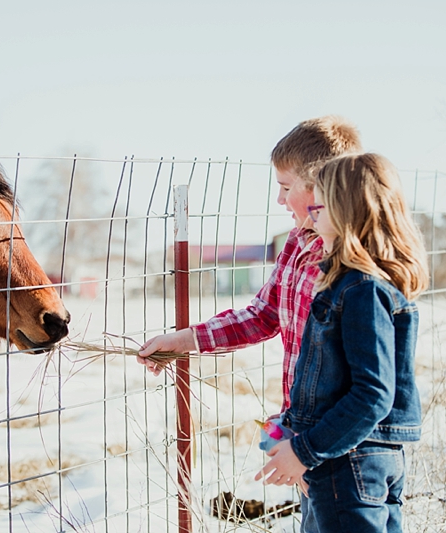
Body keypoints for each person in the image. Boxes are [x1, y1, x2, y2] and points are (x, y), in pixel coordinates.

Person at [137, 116, 361, 532]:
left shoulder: (351, 264)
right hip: (306, 436)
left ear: (320, 187)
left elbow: (365, 383)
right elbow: (262, 315)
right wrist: (184, 340)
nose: (279, 200)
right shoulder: (294, 245)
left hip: (341, 443)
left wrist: (313, 447)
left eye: (285, 187)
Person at [254, 153, 429, 533]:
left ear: (349, 211)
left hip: (350, 464)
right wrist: (291, 426)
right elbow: (337, 382)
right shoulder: (359, 284)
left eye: (323, 199)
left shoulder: (361, 290)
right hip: (358, 456)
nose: (312, 207)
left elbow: (372, 394)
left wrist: (304, 451)